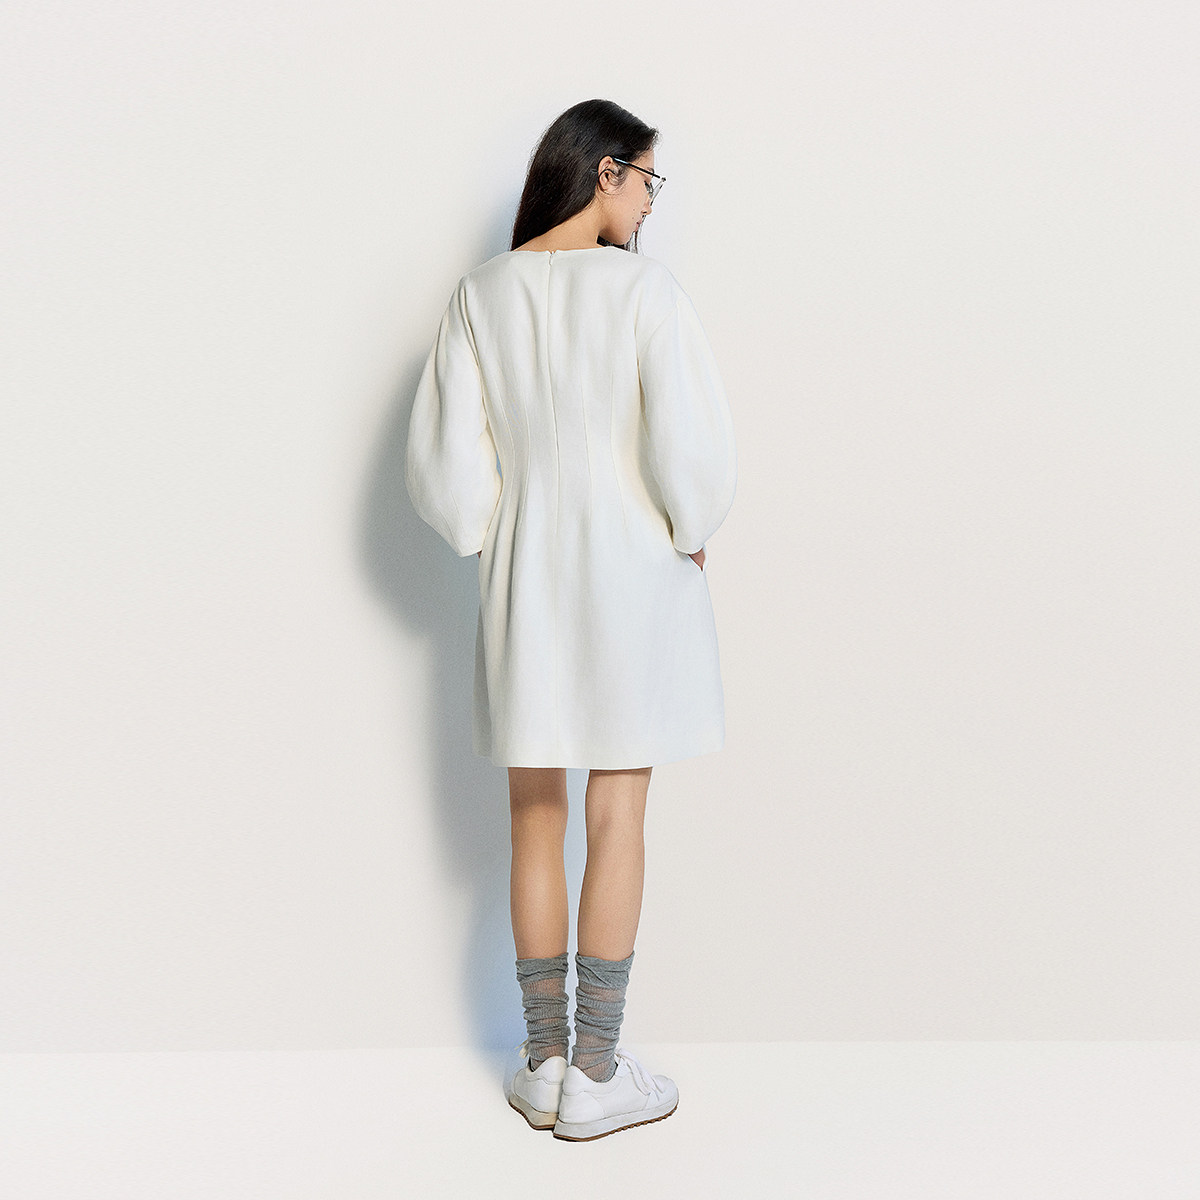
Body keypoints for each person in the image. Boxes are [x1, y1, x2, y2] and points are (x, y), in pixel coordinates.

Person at [405, 98, 736, 1140]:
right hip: (632, 573)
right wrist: (691, 525)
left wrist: (496, 535)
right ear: (605, 172)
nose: (651, 202)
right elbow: (689, 448)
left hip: (528, 579)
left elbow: (447, 475)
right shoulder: (644, 291)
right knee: (617, 814)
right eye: (648, 180)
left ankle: (544, 1063)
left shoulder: (480, 295)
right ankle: (598, 1073)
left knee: (533, 817)